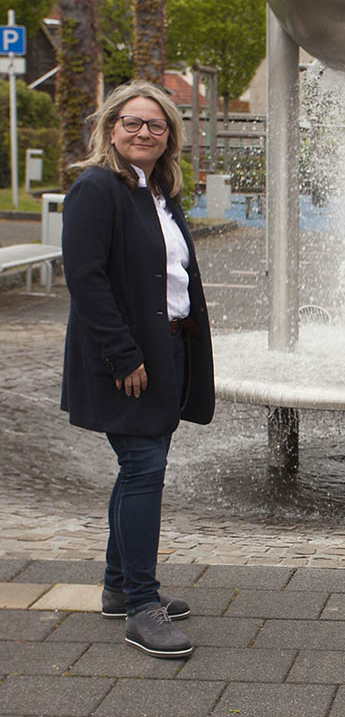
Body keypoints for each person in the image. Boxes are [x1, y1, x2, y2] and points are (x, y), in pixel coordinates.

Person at [60, 81, 215, 659]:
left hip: (165, 349)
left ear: (169, 135)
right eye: (132, 123)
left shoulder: (155, 191)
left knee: (137, 467)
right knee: (145, 467)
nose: (143, 132)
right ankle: (141, 606)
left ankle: (117, 586)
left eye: (155, 125)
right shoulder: (97, 188)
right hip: (126, 357)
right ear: (110, 128)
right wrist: (123, 356)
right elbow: (87, 281)